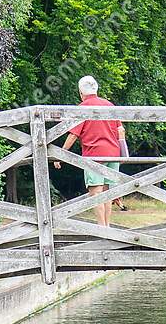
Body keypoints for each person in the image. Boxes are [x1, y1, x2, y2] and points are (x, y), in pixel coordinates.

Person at [54, 76, 128, 228]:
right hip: (113, 154)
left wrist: (60, 155)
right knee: (108, 193)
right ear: (96, 89)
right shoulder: (109, 105)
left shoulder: (83, 108)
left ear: (81, 92)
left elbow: (73, 135)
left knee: (96, 193)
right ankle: (107, 226)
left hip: (94, 155)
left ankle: (101, 228)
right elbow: (120, 129)